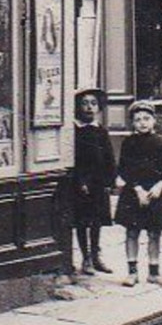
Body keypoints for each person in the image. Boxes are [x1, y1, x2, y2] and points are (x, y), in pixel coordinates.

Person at [114, 99, 162, 288]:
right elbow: (124, 169)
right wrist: (137, 189)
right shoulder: (128, 143)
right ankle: (132, 272)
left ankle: (154, 272)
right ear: (133, 123)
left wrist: (160, 185)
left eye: (146, 118)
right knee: (132, 232)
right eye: (138, 119)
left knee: (154, 233)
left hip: (154, 193)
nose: (142, 123)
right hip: (133, 192)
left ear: (153, 121)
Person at [71, 88, 116, 274]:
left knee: (97, 220)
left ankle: (96, 256)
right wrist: (80, 180)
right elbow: (72, 158)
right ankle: (86, 258)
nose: (89, 107)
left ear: (98, 108)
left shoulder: (100, 131)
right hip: (81, 183)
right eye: (85, 103)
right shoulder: (75, 130)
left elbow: (109, 157)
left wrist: (110, 181)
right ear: (78, 107)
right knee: (82, 221)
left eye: (93, 104)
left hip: (98, 182)